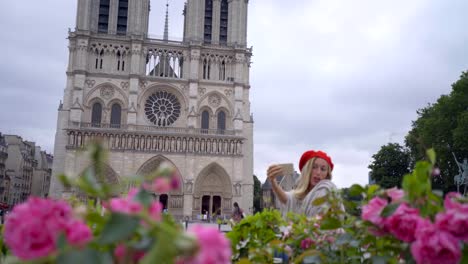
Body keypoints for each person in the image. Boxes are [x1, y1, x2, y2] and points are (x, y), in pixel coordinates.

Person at [267, 150, 341, 217]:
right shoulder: (297, 197)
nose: (318, 172)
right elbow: (286, 199)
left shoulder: (327, 192)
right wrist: (273, 180)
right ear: (307, 170)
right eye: (314, 167)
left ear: (327, 174)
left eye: (323, 169)